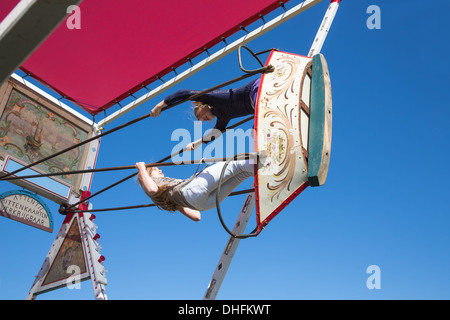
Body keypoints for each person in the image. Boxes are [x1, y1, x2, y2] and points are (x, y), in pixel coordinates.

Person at [150, 78, 260, 150]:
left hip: (256, 90)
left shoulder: (212, 97)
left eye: (199, 116)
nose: (202, 119)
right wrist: (197, 143)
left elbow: (184, 93)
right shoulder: (223, 117)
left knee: (258, 131)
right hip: (258, 106)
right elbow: (215, 133)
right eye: (201, 120)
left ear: (202, 106)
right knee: (255, 135)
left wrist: (160, 105)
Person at [135, 157, 256, 221]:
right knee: (235, 164)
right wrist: (141, 168)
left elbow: (197, 217)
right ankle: (267, 164)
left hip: (203, 205)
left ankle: (264, 169)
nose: (160, 170)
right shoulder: (153, 184)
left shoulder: (168, 198)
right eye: (155, 169)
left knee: (242, 173)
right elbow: (151, 190)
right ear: (148, 174)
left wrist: (180, 206)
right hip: (191, 192)